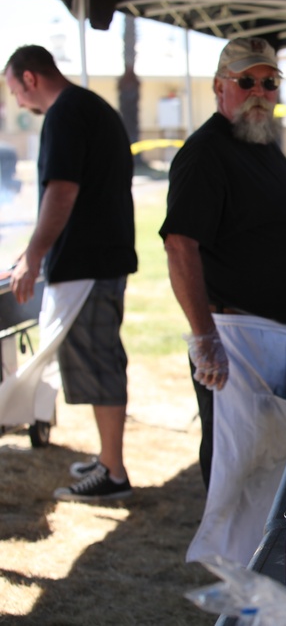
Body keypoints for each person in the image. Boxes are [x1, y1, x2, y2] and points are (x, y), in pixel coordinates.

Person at [160, 37, 286, 564]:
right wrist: (203, 337)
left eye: (269, 83)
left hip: (282, 336)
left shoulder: (259, 144)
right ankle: (238, 585)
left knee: (274, 467)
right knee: (239, 469)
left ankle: (264, 577)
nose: (259, 93)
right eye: (246, 82)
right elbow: (179, 245)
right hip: (240, 340)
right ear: (219, 87)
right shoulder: (205, 153)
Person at [4, 45, 137, 502]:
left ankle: (114, 473)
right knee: (99, 361)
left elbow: (62, 191)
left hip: (89, 263)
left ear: (30, 78)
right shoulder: (91, 107)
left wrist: (35, 255)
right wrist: (32, 250)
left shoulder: (65, 114)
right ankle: (107, 458)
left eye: (14, 92)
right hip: (102, 257)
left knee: (99, 364)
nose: (18, 103)